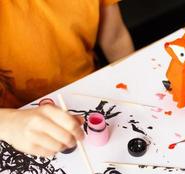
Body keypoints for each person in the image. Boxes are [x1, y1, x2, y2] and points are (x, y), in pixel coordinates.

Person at [0, 0, 135, 157]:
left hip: (87, 91)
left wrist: (131, 83)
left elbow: (115, 39)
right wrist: (7, 123)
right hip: (16, 117)